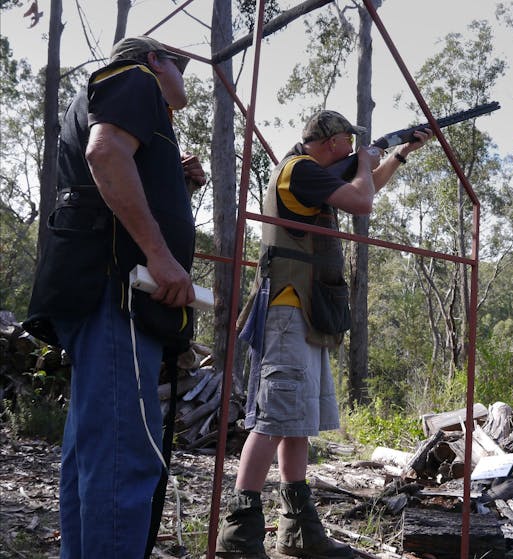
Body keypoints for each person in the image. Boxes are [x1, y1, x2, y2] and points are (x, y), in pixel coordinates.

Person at [216, 111, 432, 558]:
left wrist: (397, 155)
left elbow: (362, 188)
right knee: (274, 418)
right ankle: (239, 534)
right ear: (334, 142)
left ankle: (298, 530)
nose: (352, 148)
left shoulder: (312, 173)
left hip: (306, 309)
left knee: (297, 420)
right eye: (349, 142)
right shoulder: (300, 171)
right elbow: (362, 200)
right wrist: (370, 165)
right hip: (288, 309)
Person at [23, 36, 206, 558]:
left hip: (99, 290)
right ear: (153, 60)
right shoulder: (135, 80)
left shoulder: (116, 99)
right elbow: (104, 154)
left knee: (94, 452)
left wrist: (175, 181)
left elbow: (108, 171)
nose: (182, 76)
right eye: (179, 64)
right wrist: (161, 256)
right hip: (119, 294)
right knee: (124, 453)